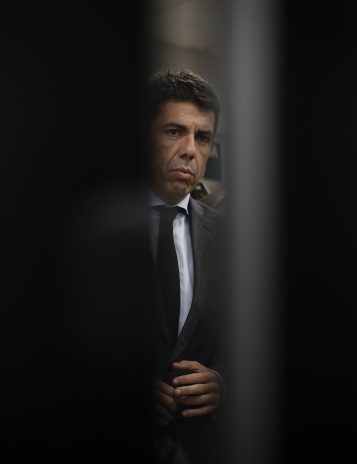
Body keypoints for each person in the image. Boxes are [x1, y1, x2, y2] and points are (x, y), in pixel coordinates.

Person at [146, 69, 227, 464]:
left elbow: (253, 340)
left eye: (203, 137)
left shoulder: (230, 240)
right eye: (174, 131)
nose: (190, 150)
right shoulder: (104, 225)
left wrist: (223, 382)